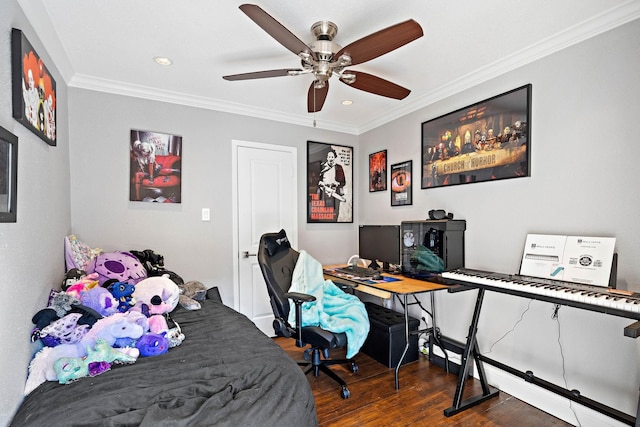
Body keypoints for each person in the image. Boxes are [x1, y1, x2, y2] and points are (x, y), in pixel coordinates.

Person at [317, 149, 346, 221]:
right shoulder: (322, 167)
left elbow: (343, 182)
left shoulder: (338, 167)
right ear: (327, 158)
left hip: (335, 193)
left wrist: (337, 183)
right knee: (324, 213)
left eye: (332, 157)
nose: (330, 158)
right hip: (325, 192)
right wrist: (321, 183)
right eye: (329, 157)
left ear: (334, 158)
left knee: (334, 214)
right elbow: (318, 180)